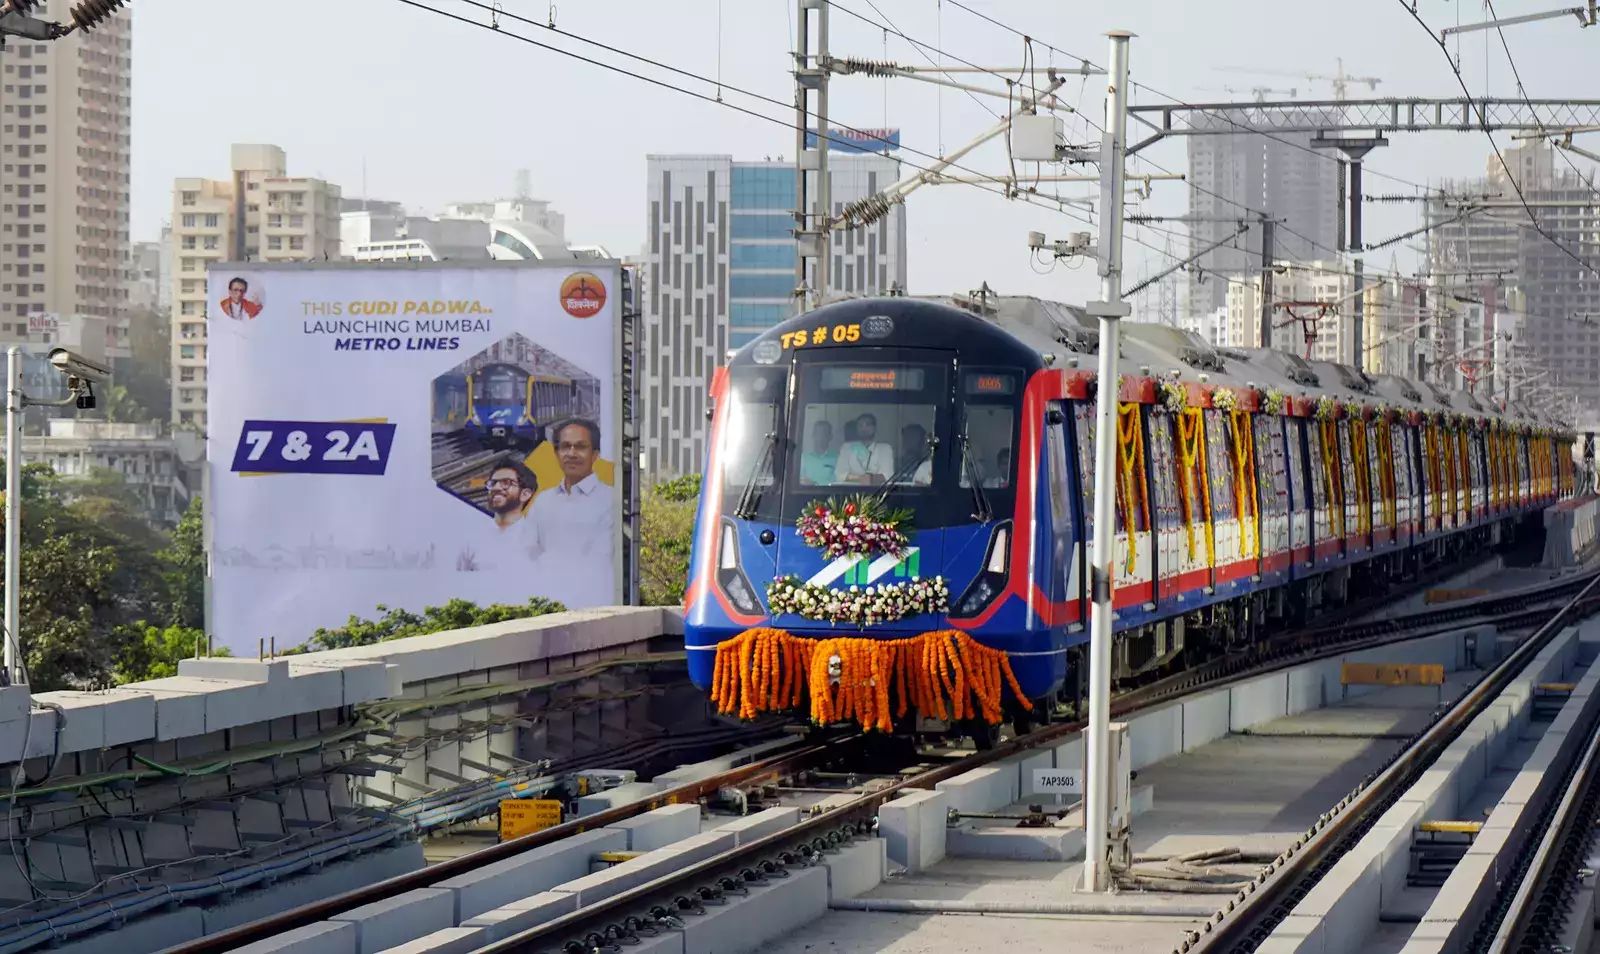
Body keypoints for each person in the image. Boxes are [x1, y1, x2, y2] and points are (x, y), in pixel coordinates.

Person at [522, 417, 615, 562]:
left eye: (580, 447)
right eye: (565, 446)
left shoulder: (611, 500)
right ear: (557, 454)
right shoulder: (542, 501)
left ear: (595, 454)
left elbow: (601, 558)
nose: (571, 454)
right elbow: (526, 552)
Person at [834, 413, 895, 485]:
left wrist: (853, 477)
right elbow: (840, 475)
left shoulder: (885, 448)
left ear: (874, 428)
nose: (864, 428)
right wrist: (865, 479)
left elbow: (887, 476)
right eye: (860, 425)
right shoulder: (847, 448)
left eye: (868, 424)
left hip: (878, 493)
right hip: (851, 493)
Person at [484, 460, 535, 530]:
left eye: (506, 483)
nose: (496, 488)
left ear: (525, 494)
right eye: (493, 483)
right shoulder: (474, 531)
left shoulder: (534, 537)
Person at [800, 420, 838, 485]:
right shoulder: (803, 458)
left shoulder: (837, 458)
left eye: (824, 433)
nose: (821, 437)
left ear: (830, 436)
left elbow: (838, 481)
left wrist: (816, 484)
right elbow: (800, 481)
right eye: (818, 433)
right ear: (813, 435)